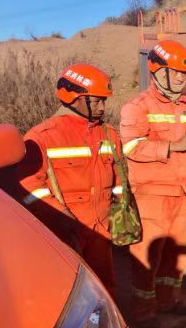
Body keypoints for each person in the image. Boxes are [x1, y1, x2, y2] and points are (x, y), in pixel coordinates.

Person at [120, 40, 186, 328]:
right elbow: (130, 146)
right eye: (174, 72)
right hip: (151, 194)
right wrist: (173, 145)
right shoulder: (137, 107)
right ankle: (143, 311)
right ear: (157, 70)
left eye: (183, 73)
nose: (180, 78)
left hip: (181, 191)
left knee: (175, 253)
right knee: (147, 256)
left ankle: (169, 300)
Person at [17, 64, 120, 295]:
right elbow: (29, 186)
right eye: (97, 101)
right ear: (75, 98)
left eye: (104, 101)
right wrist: (60, 217)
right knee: (72, 291)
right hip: (65, 232)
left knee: (105, 287)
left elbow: (118, 177)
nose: (102, 107)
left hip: (101, 229)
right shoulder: (42, 137)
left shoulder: (109, 134)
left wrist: (120, 211)